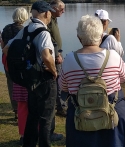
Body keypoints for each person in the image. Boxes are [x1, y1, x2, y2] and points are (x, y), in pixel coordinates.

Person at [58, 15, 125, 147]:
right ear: (101, 36)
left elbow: (63, 87)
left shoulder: (69, 59)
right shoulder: (113, 56)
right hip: (112, 114)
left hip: (81, 115)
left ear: (79, 38)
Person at [3, 1, 57, 147]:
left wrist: (22, 69)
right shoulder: (44, 33)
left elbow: (7, 49)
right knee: (46, 117)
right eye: (50, 12)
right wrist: (54, 71)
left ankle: (29, 144)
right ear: (46, 13)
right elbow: (46, 56)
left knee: (32, 115)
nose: (51, 14)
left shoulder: (25, 30)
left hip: (30, 79)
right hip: (45, 79)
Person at [1, 7, 29, 145]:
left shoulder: (6, 28)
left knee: (10, 83)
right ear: (24, 17)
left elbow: (3, 45)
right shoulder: (24, 30)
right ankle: (21, 110)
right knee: (20, 83)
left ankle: (15, 110)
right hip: (18, 61)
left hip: (6, 58)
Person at [47, 0, 65, 141]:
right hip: (54, 56)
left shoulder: (54, 19)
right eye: (61, 9)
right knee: (57, 81)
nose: (63, 11)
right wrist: (57, 53)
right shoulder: (48, 20)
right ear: (54, 9)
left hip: (57, 53)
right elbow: (49, 40)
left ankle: (60, 106)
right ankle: (59, 107)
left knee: (59, 81)